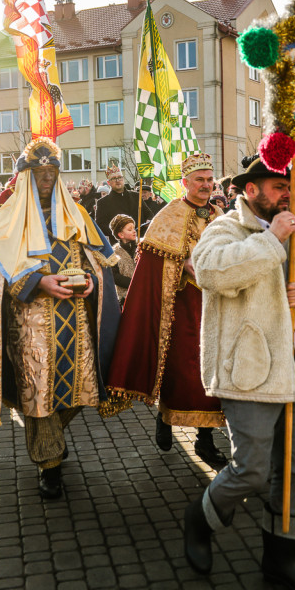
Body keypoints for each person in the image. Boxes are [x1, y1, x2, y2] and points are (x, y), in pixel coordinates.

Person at [181, 156, 295, 590]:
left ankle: (281, 561)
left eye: (288, 185)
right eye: (276, 185)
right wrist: (272, 240)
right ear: (250, 189)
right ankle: (201, 518)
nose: (286, 193)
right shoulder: (225, 229)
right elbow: (213, 273)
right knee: (250, 469)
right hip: (250, 370)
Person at [0, 138, 122, 500]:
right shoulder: (5, 218)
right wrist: (37, 281)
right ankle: (49, 464)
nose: (47, 180)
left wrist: (90, 281)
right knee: (38, 394)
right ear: (26, 176)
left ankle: (52, 440)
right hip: (28, 326)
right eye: (40, 173)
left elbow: (98, 261)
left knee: (81, 388)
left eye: (52, 173)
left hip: (75, 324)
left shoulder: (76, 214)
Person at [106, 154, 228, 468]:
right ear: (185, 183)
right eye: (198, 179)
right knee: (183, 371)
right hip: (182, 307)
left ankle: (205, 438)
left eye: (209, 178)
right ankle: (165, 417)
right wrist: (182, 265)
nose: (205, 184)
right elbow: (153, 261)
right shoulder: (170, 213)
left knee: (213, 373)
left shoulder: (220, 214)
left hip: (217, 306)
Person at [93, 166, 140, 244]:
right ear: (109, 183)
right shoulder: (102, 202)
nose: (118, 181)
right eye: (114, 178)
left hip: (137, 242)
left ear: (123, 179)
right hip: (117, 244)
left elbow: (149, 215)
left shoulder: (136, 196)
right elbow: (100, 225)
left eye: (119, 177)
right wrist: (119, 231)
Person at [109, 214, 137, 305]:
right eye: (130, 229)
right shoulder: (114, 253)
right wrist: (133, 283)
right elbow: (114, 275)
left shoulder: (141, 247)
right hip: (125, 297)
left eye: (134, 228)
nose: (134, 231)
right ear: (121, 234)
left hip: (142, 292)